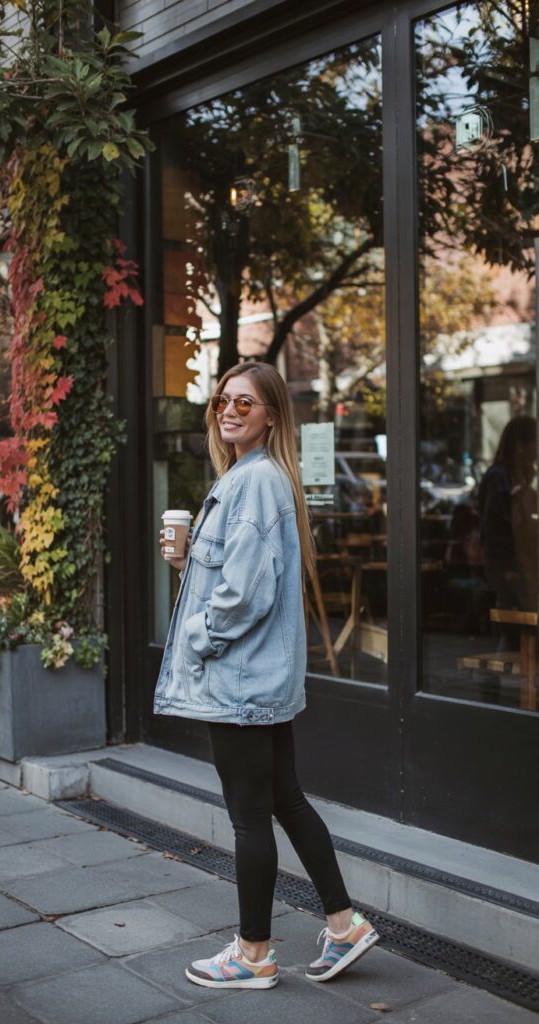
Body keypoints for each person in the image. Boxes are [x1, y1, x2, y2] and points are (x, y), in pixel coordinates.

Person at [153, 361, 379, 990]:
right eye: (223, 401)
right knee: (286, 800)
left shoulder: (253, 482)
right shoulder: (260, 478)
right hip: (259, 680)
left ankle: (253, 956)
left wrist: (196, 639)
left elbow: (243, 596)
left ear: (272, 414)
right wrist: (187, 563)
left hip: (240, 680)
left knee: (251, 816)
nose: (229, 411)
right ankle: (344, 925)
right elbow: (239, 577)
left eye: (245, 404)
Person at [478, 415, 537, 645]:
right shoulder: (499, 478)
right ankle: (489, 673)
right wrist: (506, 569)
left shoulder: (516, 477)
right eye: (535, 442)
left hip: (519, 564)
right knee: (515, 625)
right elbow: (495, 528)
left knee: (517, 626)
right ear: (520, 446)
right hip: (509, 566)